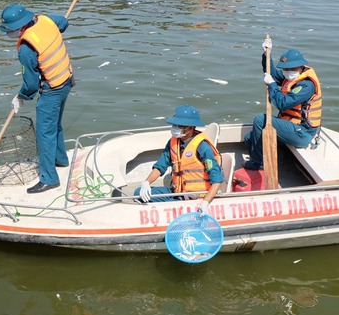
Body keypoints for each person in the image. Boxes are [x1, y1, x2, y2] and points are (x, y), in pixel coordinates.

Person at [0, 4, 75, 194]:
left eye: (9, 30)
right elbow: (63, 23)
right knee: (55, 125)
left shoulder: (26, 49)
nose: (9, 34)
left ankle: (49, 178)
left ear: (20, 28)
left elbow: (31, 85)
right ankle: (60, 160)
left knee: (44, 133)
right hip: (66, 80)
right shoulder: (46, 20)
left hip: (52, 90)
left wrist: (20, 96)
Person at [243, 37, 322, 170]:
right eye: (285, 69)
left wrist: (273, 84)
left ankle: (258, 163)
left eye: (291, 69)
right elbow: (271, 73)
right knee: (249, 138)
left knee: (259, 119)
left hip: (302, 133)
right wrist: (266, 54)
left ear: (300, 67)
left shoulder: (306, 85)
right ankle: (273, 158)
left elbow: (283, 103)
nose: (287, 72)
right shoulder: (290, 76)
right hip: (290, 125)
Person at [134, 105, 224, 215]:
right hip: (176, 192)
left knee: (157, 203)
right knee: (138, 192)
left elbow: (217, 179)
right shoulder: (174, 142)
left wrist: (206, 202)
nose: (175, 128)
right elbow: (160, 166)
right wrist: (146, 182)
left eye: (179, 125)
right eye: (174, 125)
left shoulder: (202, 146)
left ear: (191, 128)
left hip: (194, 196)